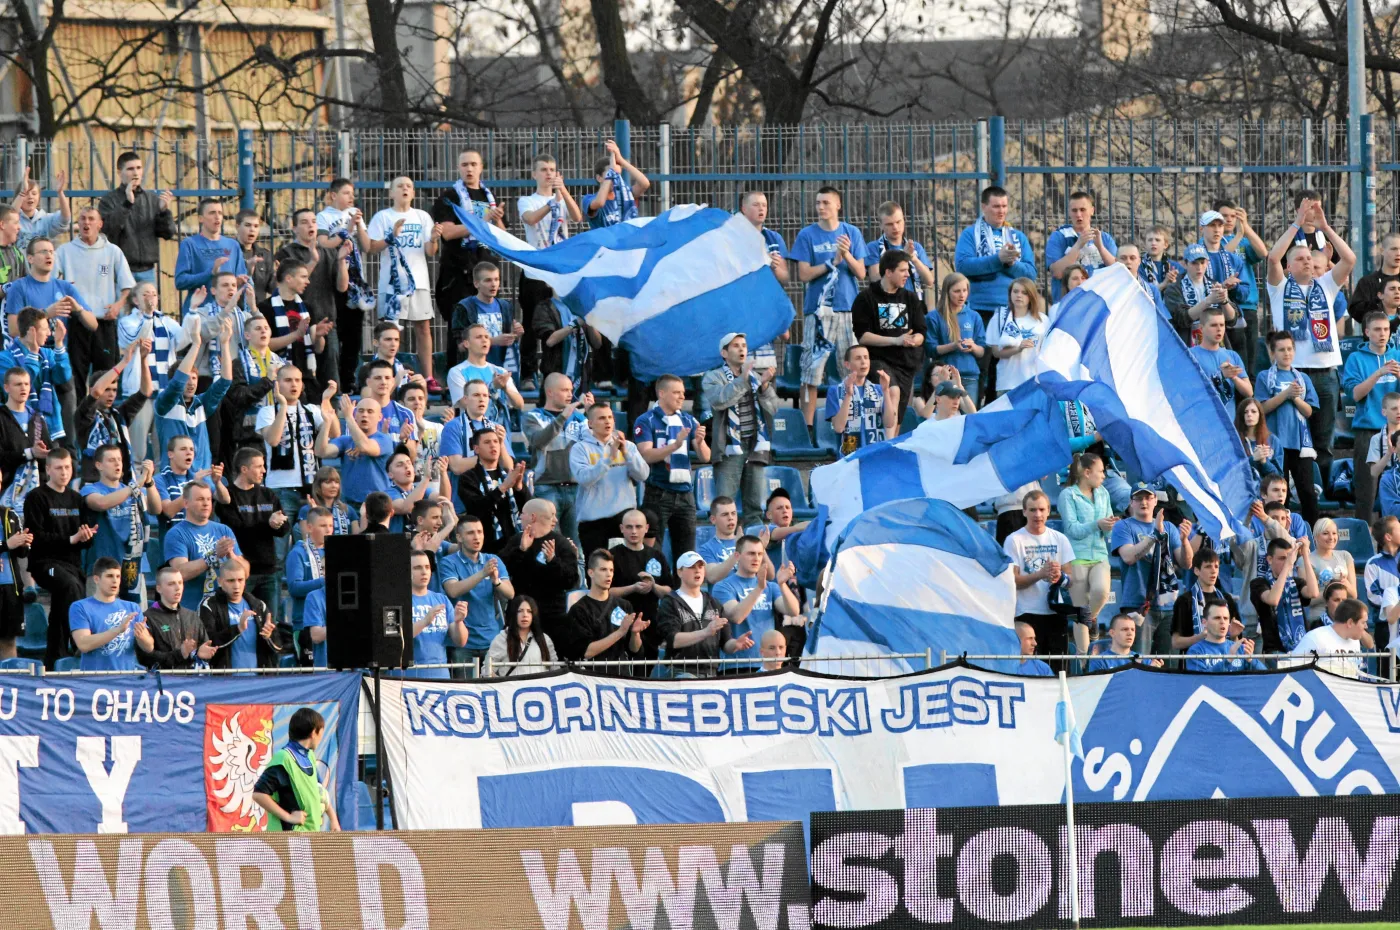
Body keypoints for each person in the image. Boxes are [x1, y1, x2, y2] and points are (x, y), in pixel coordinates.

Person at [1266, 200, 1355, 490]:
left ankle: (1324, 494)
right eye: (1300, 258)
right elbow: (1271, 258)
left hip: (1326, 374)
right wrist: (1296, 223)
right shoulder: (1279, 288)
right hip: (1292, 374)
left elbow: (1350, 260)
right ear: (1289, 265)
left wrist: (1325, 227)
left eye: (1309, 258)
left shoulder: (1326, 285)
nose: (1307, 262)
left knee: (1323, 441)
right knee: (1290, 440)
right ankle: (1289, 492)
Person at [358, 176, 443, 390]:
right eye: (400, 186)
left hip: (418, 282)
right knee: (392, 331)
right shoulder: (382, 217)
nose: (405, 189)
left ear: (413, 193)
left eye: (409, 186)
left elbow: (430, 251)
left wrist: (433, 238)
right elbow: (371, 247)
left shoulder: (422, 216)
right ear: (391, 193)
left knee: (423, 327)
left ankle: (428, 377)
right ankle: (391, 375)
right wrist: (391, 236)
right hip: (392, 284)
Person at [792, 187, 866, 429]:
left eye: (825, 202)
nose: (820, 207)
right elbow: (804, 274)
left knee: (852, 370)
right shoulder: (807, 235)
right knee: (811, 373)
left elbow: (862, 272)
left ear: (838, 205)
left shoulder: (851, 232)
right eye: (817, 202)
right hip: (819, 312)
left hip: (847, 310)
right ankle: (808, 428)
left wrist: (846, 256)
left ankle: (852, 423)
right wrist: (831, 262)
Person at [24, 447, 95, 665]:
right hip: (45, 564)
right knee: (69, 585)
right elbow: (36, 536)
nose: (64, 472)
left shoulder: (76, 499)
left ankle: (55, 656)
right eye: (59, 468)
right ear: (48, 470)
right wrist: (70, 539)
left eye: (67, 467)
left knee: (70, 592)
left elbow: (86, 539)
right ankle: (77, 640)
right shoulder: (36, 497)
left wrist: (86, 536)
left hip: (71, 564)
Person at [517, 153, 584, 384]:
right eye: (543, 169)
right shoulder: (528, 200)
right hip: (535, 271)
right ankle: (527, 373)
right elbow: (531, 219)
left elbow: (576, 217)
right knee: (530, 323)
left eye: (552, 170)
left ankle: (557, 370)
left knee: (559, 322)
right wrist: (551, 204)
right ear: (534, 174)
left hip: (559, 272)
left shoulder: (561, 198)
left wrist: (563, 192)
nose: (548, 174)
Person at [431, 148, 507, 339]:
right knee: (461, 330)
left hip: (486, 268)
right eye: (465, 164)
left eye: (474, 164)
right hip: (459, 272)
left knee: (489, 327)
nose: (469, 169)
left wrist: (496, 220)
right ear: (458, 168)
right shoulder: (449, 197)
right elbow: (447, 233)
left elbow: (502, 237)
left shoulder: (490, 196)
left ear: (481, 167)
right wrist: (481, 221)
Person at [1110, 487, 1195, 655]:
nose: (1144, 502)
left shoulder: (1169, 528)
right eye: (1139, 498)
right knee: (1139, 661)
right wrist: (1154, 535)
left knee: (1168, 665)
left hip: (1168, 605)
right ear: (1131, 503)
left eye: (1148, 498)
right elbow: (1128, 556)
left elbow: (1186, 563)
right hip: (1137, 604)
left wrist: (1185, 541)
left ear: (1155, 501)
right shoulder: (1123, 526)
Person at [54, 206, 134, 381]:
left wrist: (118, 305)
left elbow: (127, 284)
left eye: (91, 219)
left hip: (104, 321)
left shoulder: (112, 251)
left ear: (100, 224)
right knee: (77, 374)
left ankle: (103, 409)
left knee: (106, 374)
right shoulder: (65, 251)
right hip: (77, 320)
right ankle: (79, 408)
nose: (86, 222)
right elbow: (52, 281)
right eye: (82, 218)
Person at [703, 333, 778, 518]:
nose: (742, 349)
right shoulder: (712, 377)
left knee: (754, 507)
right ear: (724, 353)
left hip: (755, 445)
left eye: (744, 345)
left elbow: (773, 407)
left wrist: (764, 386)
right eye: (735, 346)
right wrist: (743, 381)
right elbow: (720, 400)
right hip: (729, 447)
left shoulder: (755, 377)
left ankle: (752, 544)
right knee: (724, 505)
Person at [633, 374, 708, 556]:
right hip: (658, 492)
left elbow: (705, 457)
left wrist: (699, 442)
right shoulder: (646, 420)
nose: (682, 397)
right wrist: (674, 445)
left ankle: (681, 585)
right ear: (661, 393)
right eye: (676, 392)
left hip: (685, 494)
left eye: (683, 392)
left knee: (687, 554)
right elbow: (646, 455)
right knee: (652, 552)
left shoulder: (688, 420)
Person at [954, 186, 1036, 351]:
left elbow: (1030, 274)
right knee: (984, 364)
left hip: (1013, 310)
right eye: (996, 206)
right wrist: (998, 259)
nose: (1001, 211)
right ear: (984, 207)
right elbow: (963, 266)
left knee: (1009, 364)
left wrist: (1011, 264)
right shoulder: (970, 234)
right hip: (981, 309)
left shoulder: (1018, 237)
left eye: (1004, 206)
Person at [215, 446, 291, 623]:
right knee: (240, 622)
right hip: (240, 573)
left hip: (268, 570)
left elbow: (284, 529)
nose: (263, 471)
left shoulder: (268, 494)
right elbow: (237, 528)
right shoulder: (228, 496)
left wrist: (278, 524)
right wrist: (268, 524)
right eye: (259, 466)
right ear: (244, 469)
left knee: (269, 624)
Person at [851, 250, 926, 423]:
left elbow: (921, 331)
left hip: (906, 364)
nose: (908, 274)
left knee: (898, 416)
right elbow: (863, 336)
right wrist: (896, 340)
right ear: (888, 272)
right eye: (903, 270)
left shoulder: (911, 298)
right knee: (892, 392)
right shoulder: (866, 298)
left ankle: (890, 445)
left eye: (908, 270)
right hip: (879, 360)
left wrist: (915, 340)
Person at [1254, 331, 1320, 524]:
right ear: (1273, 353)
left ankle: (1312, 534)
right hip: (1275, 443)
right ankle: (1280, 533)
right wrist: (1286, 394)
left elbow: (1309, 411)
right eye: (1281, 349)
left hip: (1300, 444)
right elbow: (1262, 408)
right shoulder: (1264, 376)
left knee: (1307, 491)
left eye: (1290, 349)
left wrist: (1296, 397)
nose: (1286, 353)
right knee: (1280, 493)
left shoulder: (1303, 378)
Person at [276, 208, 350, 383]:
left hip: (326, 320)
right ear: (294, 228)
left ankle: (331, 406)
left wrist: (340, 262)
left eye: (313, 221)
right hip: (296, 321)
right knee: (301, 374)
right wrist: (313, 261)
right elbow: (290, 286)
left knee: (330, 375)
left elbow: (342, 287)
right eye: (304, 222)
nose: (311, 225)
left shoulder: (328, 251)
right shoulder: (287, 253)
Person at [1003, 489, 1076, 664]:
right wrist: (1040, 574)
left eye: (1042, 510)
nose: (1038, 514)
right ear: (1024, 512)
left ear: (1049, 510)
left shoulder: (1060, 539)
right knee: (1030, 667)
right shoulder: (1014, 540)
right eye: (1033, 510)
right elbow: (1013, 581)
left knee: (1059, 669)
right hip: (1026, 613)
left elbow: (1072, 580)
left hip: (1055, 612)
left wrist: (1060, 577)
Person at [569, 402, 648, 557]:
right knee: (597, 571)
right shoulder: (580, 448)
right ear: (590, 423)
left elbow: (643, 475)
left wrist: (626, 454)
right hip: (593, 522)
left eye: (610, 417)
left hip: (622, 519)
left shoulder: (628, 446)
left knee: (623, 570)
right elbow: (584, 478)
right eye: (602, 418)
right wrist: (609, 458)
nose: (608, 421)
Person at [257, 366, 332, 529]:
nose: (294, 384)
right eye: (288, 380)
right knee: (281, 546)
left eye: (298, 380)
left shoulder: (312, 410)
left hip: (311, 488)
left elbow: (334, 433)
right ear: (277, 384)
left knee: (312, 541)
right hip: (279, 488)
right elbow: (273, 440)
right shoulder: (268, 411)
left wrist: (326, 402)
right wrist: (283, 406)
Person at [712, 535, 800, 673]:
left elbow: (793, 611)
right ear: (737, 556)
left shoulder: (771, 586)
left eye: (760, 554)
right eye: (751, 553)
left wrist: (782, 585)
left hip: (767, 663)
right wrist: (758, 588)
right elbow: (736, 616)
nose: (757, 558)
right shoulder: (723, 587)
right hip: (736, 663)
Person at [1343, 312, 1400, 523]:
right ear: (1367, 332)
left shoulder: (1398, 354)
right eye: (1377, 329)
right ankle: (1365, 539)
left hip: (1397, 432)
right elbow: (1355, 394)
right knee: (1366, 493)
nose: (1382, 334)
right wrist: (1378, 373)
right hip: (1368, 431)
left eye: (1386, 329)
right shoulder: (1356, 359)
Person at [655, 551, 751, 677]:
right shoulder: (670, 602)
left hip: (711, 672)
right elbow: (673, 640)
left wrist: (736, 644)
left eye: (700, 567)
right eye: (692, 567)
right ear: (679, 572)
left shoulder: (713, 602)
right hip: (681, 671)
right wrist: (705, 632)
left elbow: (726, 643)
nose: (697, 571)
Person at [81, 444, 158, 600]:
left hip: (133, 566)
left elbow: (156, 509)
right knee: (103, 619)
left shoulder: (132, 490)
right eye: (111, 460)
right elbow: (102, 503)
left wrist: (149, 482)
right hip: (102, 568)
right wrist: (136, 485)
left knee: (136, 618)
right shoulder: (89, 490)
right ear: (99, 465)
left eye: (119, 460)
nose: (117, 464)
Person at [1058, 452, 1116, 656]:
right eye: (1100, 471)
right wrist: (1097, 524)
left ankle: (1090, 621)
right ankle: (1084, 660)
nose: (1103, 476)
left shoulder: (1104, 494)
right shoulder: (1068, 495)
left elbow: (1107, 529)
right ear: (1087, 472)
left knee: (1101, 592)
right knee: (1081, 608)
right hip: (1076, 558)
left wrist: (1109, 526)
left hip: (1100, 555)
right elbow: (1072, 529)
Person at [440, 515, 515, 672]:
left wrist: (496, 581)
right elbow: (453, 590)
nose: (477, 537)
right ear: (459, 537)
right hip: (462, 643)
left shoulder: (492, 559)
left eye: (480, 532)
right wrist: (482, 573)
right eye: (471, 533)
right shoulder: (449, 562)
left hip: (491, 639)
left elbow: (510, 594)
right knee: (463, 693)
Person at [500, 499, 581, 644]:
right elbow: (503, 570)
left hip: (552, 617)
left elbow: (571, 581)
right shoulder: (517, 541)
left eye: (523, 514)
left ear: (533, 517)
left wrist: (553, 561)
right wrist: (521, 550)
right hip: (520, 613)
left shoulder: (561, 544)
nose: (520, 517)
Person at [252, 707, 342, 832]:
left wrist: (333, 819)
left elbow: (320, 791)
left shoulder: (309, 756)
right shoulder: (284, 759)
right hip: (287, 838)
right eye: (321, 732)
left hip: (308, 835)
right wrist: (289, 817)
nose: (321, 738)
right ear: (313, 733)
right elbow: (258, 794)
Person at [163, 481, 244, 611]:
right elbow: (180, 572)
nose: (206, 503)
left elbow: (245, 571)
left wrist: (231, 556)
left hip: (224, 610)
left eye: (209, 499)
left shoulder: (224, 530)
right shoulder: (176, 534)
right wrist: (214, 555)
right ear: (186, 503)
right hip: (191, 610)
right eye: (200, 499)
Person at [559, 549, 647, 670]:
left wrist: (635, 633)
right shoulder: (579, 610)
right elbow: (586, 652)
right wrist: (620, 632)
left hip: (622, 678)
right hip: (593, 680)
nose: (608, 574)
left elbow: (634, 649)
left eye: (611, 570)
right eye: (603, 569)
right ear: (591, 573)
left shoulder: (624, 606)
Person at [97, 152, 176, 285]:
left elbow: (168, 233)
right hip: (120, 269)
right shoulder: (109, 200)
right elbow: (108, 229)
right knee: (121, 306)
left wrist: (163, 212)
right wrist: (127, 204)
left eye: (139, 168)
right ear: (119, 172)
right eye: (130, 169)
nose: (136, 173)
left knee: (147, 306)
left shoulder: (151, 199)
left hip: (147, 271)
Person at [607, 509, 675, 656]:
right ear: (621, 529)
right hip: (617, 622)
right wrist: (632, 588)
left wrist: (653, 586)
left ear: (646, 528)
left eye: (638, 527)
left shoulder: (657, 555)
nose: (634, 531)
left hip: (650, 624)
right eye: (629, 527)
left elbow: (670, 591)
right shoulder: (612, 556)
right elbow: (605, 592)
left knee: (647, 668)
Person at [0, 307, 71, 446]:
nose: (49, 333)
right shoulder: (4, 359)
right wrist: (32, 353)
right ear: (32, 331)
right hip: (19, 426)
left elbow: (62, 377)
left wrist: (59, 345)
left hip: (49, 424)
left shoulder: (47, 354)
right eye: (45, 329)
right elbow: (22, 381)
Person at [314, 394, 394, 509]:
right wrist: (327, 423)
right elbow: (321, 452)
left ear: (380, 417)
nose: (364, 414)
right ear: (356, 414)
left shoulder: (384, 439)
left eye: (370, 411)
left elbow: (365, 446)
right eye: (360, 411)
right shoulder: (345, 441)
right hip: (348, 504)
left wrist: (349, 417)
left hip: (377, 504)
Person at [259, 261, 331, 388]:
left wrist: (318, 336)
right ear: (288, 278)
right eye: (303, 277)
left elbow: (319, 349)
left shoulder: (307, 307)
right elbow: (265, 346)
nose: (308, 281)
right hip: (279, 377)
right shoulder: (265, 308)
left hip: (306, 376)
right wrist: (296, 334)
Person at [739, 189, 790, 369]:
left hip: (767, 307)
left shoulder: (774, 238)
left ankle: (765, 388)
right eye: (756, 205)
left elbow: (785, 278)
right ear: (743, 209)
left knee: (766, 367)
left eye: (764, 205)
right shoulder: (732, 237)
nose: (761, 209)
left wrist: (776, 269)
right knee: (741, 360)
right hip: (742, 307)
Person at [1215, 200, 1269, 371]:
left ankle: (1250, 395)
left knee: (1250, 358)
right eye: (1225, 216)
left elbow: (1263, 252)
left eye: (1233, 216)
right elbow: (1221, 257)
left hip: (1247, 305)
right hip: (1224, 305)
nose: (1230, 220)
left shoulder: (1244, 241)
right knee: (1231, 356)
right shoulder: (1213, 239)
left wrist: (1245, 227)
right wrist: (1238, 236)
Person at [460, 427, 530, 553]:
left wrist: (519, 487)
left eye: (496, 441)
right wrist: (503, 487)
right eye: (487, 442)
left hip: (516, 542)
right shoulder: (468, 477)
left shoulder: (508, 473)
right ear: (476, 449)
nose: (493, 445)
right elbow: (477, 508)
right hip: (488, 545)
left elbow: (528, 507)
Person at [401, 550, 468, 680]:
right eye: (417, 568)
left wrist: (459, 622)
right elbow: (398, 638)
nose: (424, 572)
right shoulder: (398, 600)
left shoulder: (441, 599)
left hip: (440, 677)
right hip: (408, 677)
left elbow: (461, 641)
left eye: (427, 567)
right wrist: (425, 621)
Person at [174, 199, 248, 315]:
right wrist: (210, 273)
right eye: (212, 213)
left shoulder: (233, 245)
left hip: (228, 313)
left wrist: (239, 281)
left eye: (220, 213)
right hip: (199, 313)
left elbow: (243, 281)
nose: (217, 217)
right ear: (200, 219)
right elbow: (180, 281)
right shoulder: (189, 244)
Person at [70, 557, 143, 671]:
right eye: (109, 576)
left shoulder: (132, 607)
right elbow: (83, 644)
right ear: (96, 579)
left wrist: (144, 637)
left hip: (127, 680)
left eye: (118, 576)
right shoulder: (80, 607)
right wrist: (118, 630)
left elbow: (149, 648)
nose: (115, 581)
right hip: (95, 680)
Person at [450, 261, 522, 375]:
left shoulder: (505, 306)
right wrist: (492, 341)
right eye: (488, 280)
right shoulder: (465, 307)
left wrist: (515, 334)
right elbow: (461, 346)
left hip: (501, 369)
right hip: (475, 371)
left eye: (496, 279)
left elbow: (509, 341)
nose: (493, 284)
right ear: (476, 284)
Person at [1251, 536, 1319, 654]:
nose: (1287, 562)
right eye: (1282, 558)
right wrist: (1287, 566)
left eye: (1289, 558)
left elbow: (1313, 592)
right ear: (1270, 559)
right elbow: (1273, 599)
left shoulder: (1296, 583)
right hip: (1274, 650)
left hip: (1301, 647)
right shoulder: (1259, 583)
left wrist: (1305, 557)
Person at [137, 565, 214, 670]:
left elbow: (203, 653)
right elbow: (146, 658)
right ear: (158, 588)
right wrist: (180, 654)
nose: (178, 588)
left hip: (193, 682)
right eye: (171, 584)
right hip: (163, 683)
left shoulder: (192, 616)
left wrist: (201, 654)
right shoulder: (148, 618)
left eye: (180, 583)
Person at [447, 324, 526, 424]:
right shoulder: (457, 372)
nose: (484, 340)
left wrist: (505, 388)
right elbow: (466, 404)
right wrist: (493, 387)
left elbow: (519, 404)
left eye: (487, 337)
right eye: (478, 337)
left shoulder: (500, 371)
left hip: (499, 433)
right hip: (473, 433)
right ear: (466, 343)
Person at [926, 273, 986, 406]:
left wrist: (973, 347)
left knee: (968, 418)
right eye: (957, 291)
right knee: (947, 419)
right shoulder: (934, 317)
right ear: (947, 292)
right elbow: (930, 349)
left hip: (970, 376)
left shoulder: (974, 316)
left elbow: (982, 351)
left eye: (965, 290)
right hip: (946, 376)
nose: (962, 295)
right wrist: (953, 345)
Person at [1046, 190, 1117, 301]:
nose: (1078, 214)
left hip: (1099, 303)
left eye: (1083, 210)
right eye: (1074, 210)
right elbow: (1057, 273)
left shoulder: (1104, 238)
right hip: (1068, 303)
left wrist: (1101, 248)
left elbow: (1117, 271)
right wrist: (1078, 245)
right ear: (1069, 212)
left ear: (1092, 211)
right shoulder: (1059, 237)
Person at [825, 345, 895, 454]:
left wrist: (886, 391)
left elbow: (890, 423)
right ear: (847, 364)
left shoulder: (878, 389)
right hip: (849, 456)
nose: (863, 362)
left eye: (866, 357)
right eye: (858, 358)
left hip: (876, 453)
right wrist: (848, 395)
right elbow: (838, 428)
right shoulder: (835, 391)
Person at [1171, 547, 1243, 652]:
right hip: (1194, 663)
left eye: (1216, 567)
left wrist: (1233, 636)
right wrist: (1200, 637)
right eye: (1208, 567)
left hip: (1224, 662)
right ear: (1196, 570)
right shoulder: (1185, 600)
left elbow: (1236, 642)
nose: (1213, 571)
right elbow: (1176, 642)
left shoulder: (1227, 600)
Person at [988, 277, 1051, 395]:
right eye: (1015, 291)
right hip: (1008, 383)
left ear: (1031, 295)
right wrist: (1018, 349)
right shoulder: (1000, 318)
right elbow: (996, 353)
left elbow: (1048, 351)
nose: (1019, 295)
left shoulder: (1043, 320)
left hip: (1034, 381)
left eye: (1024, 292)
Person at [864, 201, 934, 302]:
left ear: (904, 220)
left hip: (913, 304)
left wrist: (913, 258)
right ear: (881, 225)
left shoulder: (916, 247)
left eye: (898, 222)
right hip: (886, 305)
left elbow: (929, 281)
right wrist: (903, 257)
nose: (895, 227)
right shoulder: (874, 247)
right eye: (889, 224)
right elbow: (877, 280)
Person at [1283, 596, 1369, 678]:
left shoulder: (1354, 641)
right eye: (1363, 622)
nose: (1366, 626)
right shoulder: (1316, 638)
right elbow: (1291, 668)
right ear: (1350, 623)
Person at [285, 506, 331, 656]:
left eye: (331, 525)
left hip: (330, 622)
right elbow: (294, 588)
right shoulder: (298, 553)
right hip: (304, 624)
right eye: (323, 526)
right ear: (310, 527)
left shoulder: (336, 550)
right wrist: (324, 581)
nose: (328, 530)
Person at [1190, 306, 1251, 408]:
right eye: (1213, 325)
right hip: (1202, 420)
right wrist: (1220, 376)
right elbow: (1189, 392)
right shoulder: (1190, 355)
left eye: (1222, 325)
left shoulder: (1232, 355)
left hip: (1229, 421)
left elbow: (1249, 392)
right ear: (1201, 328)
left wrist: (1234, 377)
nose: (1219, 329)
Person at [582, 139, 650, 229]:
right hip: (605, 242)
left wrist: (621, 161)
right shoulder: (588, 199)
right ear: (599, 178)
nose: (614, 177)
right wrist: (612, 172)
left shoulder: (625, 195)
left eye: (617, 174)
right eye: (609, 173)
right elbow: (600, 203)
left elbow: (644, 184)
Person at [1185, 598, 1265, 672]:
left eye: (1226, 618)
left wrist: (1251, 660)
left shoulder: (1240, 648)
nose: (1222, 622)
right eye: (1217, 618)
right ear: (1204, 622)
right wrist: (1227, 660)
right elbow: (1199, 681)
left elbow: (1266, 677)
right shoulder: (1196, 651)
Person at [0, 466, 30, 658]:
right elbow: (7, 545)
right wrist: (6, 544)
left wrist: (23, 543)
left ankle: (11, 686)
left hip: (9, 587)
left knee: (9, 640)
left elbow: (20, 553)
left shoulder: (9, 514)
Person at [487, 595, 556, 676]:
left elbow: (555, 669)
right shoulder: (502, 638)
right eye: (520, 611)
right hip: (511, 688)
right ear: (513, 614)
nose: (525, 615)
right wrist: (502, 684)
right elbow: (487, 670)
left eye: (529, 611)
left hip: (539, 688)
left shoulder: (544, 639)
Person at [1310, 517, 1358, 623]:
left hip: (1345, 616)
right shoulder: (1307, 560)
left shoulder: (1345, 556)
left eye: (1334, 533)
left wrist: (1345, 585)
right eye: (1326, 533)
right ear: (1316, 536)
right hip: (1319, 617)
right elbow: (1309, 600)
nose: (1331, 537)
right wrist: (1332, 590)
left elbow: (1354, 595)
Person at [1350, 232, 1400, 324]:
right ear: (1382, 250)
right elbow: (1355, 311)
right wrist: (1378, 303)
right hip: (1376, 335)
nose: (1398, 253)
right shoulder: (1367, 282)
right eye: (1393, 249)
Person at [1086, 612, 1163, 671]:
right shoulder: (1100, 661)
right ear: (1112, 633)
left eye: (1133, 630)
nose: (1130, 633)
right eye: (1125, 629)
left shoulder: (1143, 660)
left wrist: (1153, 672)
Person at [697, 496, 744, 584]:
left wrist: (762, 549)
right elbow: (712, 577)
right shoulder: (706, 549)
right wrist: (737, 551)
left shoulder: (747, 542)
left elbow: (770, 575)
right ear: (713, 519)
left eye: (733, 513)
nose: (730, 518)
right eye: (725, 514)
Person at [234, 210, 273, 306]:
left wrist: (279, 275)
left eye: (256, 226)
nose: (252, 229)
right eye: (247, 225)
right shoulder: (230, 252)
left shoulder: (264, 255)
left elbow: (272, 288)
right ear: (237, 226)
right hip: (236, 310)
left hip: (259, 311)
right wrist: (247, 270)